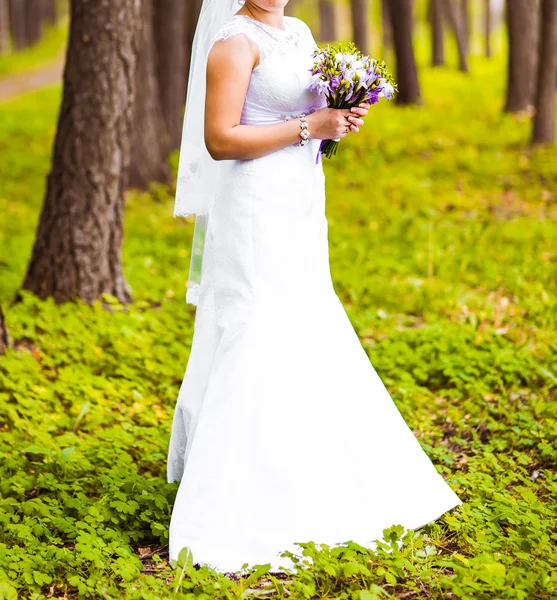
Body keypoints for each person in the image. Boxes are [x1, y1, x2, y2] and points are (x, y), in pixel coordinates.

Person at [167, 0, 461, 574]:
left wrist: (338, 116)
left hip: (299, 197)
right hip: (252, 206)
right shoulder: (233, 42)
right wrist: (309, 126)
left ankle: (314, 466)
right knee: (258, 327)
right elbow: (221, 140)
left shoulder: (298, 31)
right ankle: (242, 491)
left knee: (305, 322)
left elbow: (305, 112)